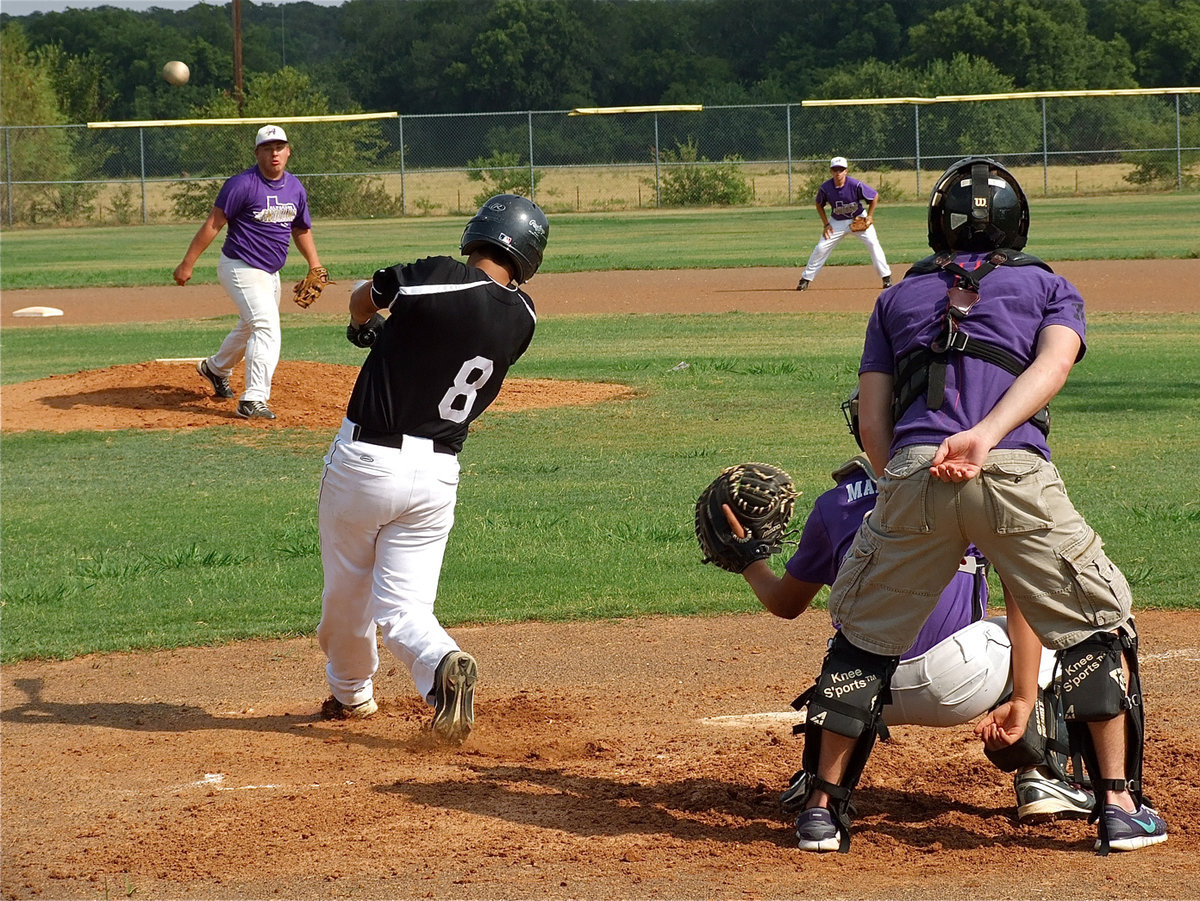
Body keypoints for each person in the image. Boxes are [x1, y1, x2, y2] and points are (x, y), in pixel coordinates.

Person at [789, 156, 1167, 856]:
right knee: (1098, 625)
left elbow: (875, 421)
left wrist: (905, 483)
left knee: (862, 639)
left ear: (937, 228)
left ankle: (821, 810)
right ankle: (1118, 805)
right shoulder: (1049, 285)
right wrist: (987, 437)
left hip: (914, 472)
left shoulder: (896, 298)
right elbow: (1052, 366)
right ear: (1019, 222)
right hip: (1014, 469)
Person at [725, 396, 1093, 847]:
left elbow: (786, 602)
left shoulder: (834, 503)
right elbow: (1023, 594)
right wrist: (1021, 694)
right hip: (960, 683)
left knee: (850, 644)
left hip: (865, 692)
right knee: (1054, 622)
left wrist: (749, 561)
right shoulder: (968, 482)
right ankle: (1042, 775)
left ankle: (819, 783)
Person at [315, 194, 549, 744]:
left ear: (477, 235)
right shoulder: (525, 317)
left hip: (367, 463)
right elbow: (444, 340)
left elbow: (363, 300)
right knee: (405, 606)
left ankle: (351, 692)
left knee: (349, 592)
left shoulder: (440, 275)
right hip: (440, 473)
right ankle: (443, 663)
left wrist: (362, 325)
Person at [173, 124, 323, 420]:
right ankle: (252, 399)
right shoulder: (241, 184)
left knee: (249, 326)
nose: (274, 153)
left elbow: (300, 228)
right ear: (257, 153)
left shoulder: (295, 187)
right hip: (239, 266)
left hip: (270, 273)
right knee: (266, 326)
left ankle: (215, 369)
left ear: (289, 151)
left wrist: (315, 264)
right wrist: (187, 263)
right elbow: (214, 224)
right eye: (267, 148)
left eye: (279, 147)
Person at [796, 156, 891, 293]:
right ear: (831, 171)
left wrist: (869, 216)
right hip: (837, 222)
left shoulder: (855, 185)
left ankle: (886, 277)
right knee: (821, 248)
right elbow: (819, 204)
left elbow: (874, 196)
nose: (838, 173)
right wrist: (826, 224)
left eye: (841, 169)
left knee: (873, 244)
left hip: (858, 218)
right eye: (835, 170)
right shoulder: (826, 188)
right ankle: (805, 280)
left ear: (846, 171)